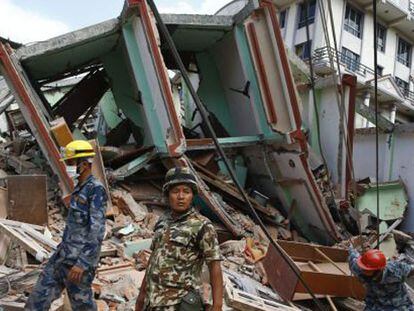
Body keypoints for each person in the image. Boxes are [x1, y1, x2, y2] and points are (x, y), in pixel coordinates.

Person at [25, 140, 107, 310]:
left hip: (77, 264)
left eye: (70, 162)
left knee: (82, 306)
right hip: (61, 258)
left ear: (83, 164)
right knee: (36, 301)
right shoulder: (80, 188)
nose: (68, 167)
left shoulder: (95, 189)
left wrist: (83, 264)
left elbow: (97, 231)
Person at [135, 167, 223, 311]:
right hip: (153, 301)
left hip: (179, 303)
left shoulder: (202, 225)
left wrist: (217, 306)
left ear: (192, 196)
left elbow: (214, 265)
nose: (181, 196)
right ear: (168, 194)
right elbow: (153, 260)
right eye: (175, 191)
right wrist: (141, 295)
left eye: (186, 192)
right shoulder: (162, 222)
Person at [349, 246, 414, 310]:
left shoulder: (395, 270)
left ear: (380, 270)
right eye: (364, 269)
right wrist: (351, 247)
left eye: (369, 271)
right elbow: (353, 256)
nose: (365, 273)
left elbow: (411, 270)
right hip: (375, 304)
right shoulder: (358, 268)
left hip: (398, 304)